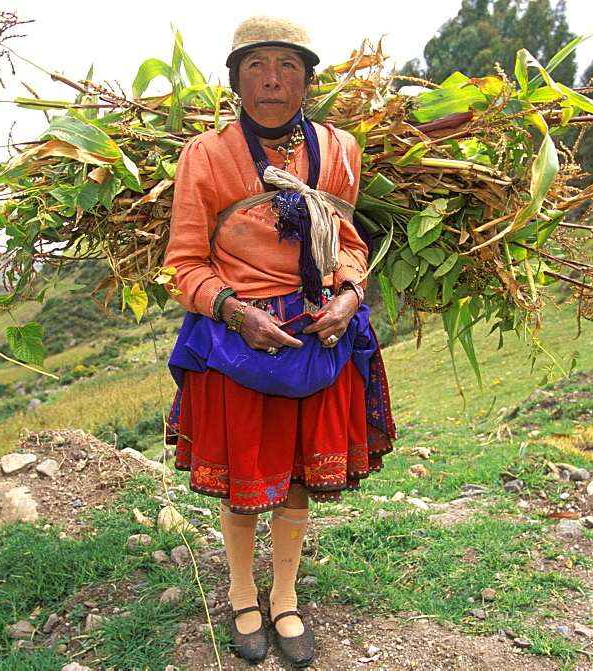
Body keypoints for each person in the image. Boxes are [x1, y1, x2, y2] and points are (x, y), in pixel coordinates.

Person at [163, 15, 396, 666]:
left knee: (295, 479)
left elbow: (350, 243)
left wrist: (349, 296)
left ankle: (285, 594)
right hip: (240, 342)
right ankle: (242, 591)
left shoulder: (340, 150)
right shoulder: (206, 157)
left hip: (319, 336)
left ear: (308, 78)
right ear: (235, 78)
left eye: (288, 65)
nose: (273, 79)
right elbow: (183, 265)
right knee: (245, 478)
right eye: (257, 65)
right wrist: (237, 313)